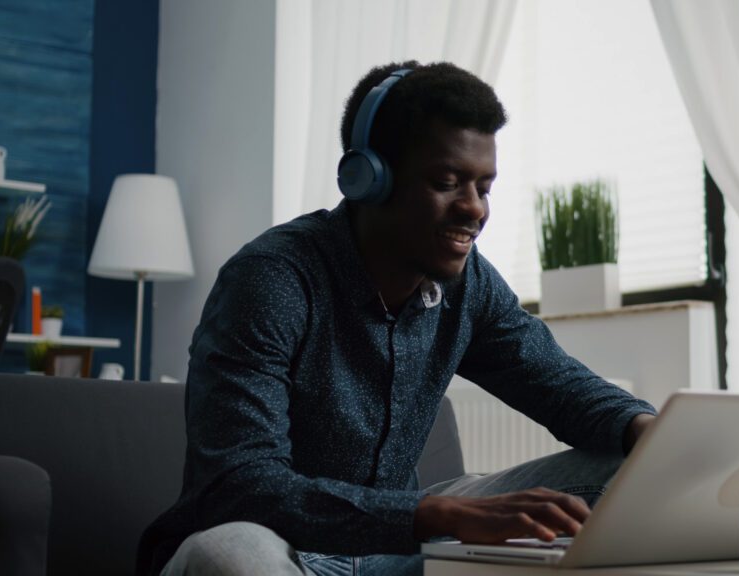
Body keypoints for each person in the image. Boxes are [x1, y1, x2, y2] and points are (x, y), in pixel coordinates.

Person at [138, 61, 656, 576]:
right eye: (448, 182)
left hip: (395, 549)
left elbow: (558, 383)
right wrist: (434, 514)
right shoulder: (272, 279)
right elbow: (241, 485)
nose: (474, 209)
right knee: (230, 554)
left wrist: (647, 429)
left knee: (628, 468)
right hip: (280, 548)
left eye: (484, 187)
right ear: (367, 179)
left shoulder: (468, 282)